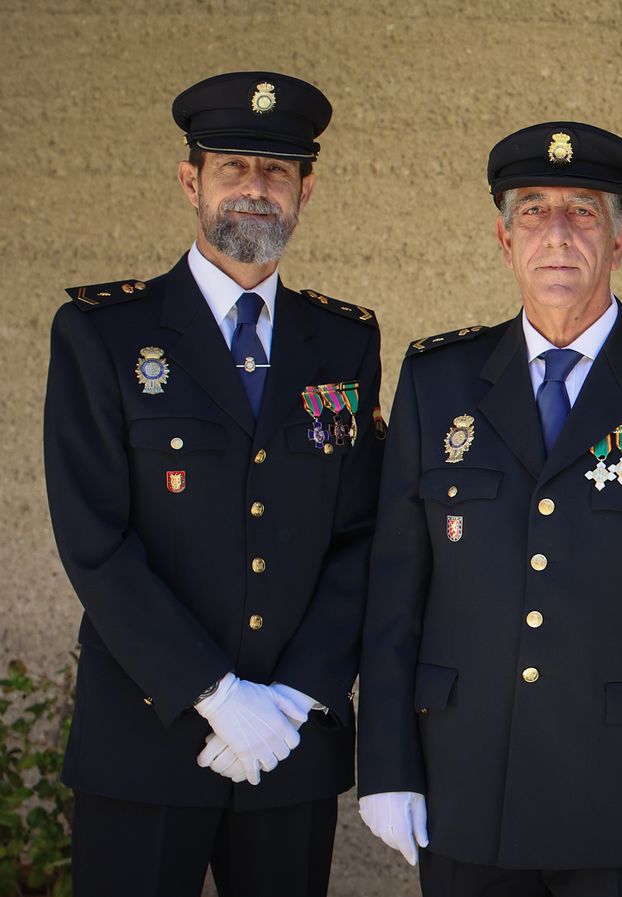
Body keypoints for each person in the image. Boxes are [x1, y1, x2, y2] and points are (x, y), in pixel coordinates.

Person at [356, 121, 622, 897]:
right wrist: (387, 763)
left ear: (621, 239)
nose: (558, 235)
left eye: (584, 213)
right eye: (534, 212)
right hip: (464, 784)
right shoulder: (440, 382)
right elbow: (397, 585)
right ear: (505, 240)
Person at [43, 71, 382, 897]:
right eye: (235, 167)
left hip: (287, 746)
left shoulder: (344, 343)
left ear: (306, 189)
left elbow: (363, 534)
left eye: (277, 172)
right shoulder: (105, 333)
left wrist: (296, 696)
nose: (255, 190)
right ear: (192, 181)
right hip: (144, 741)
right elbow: (96, 541)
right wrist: (215, 693)